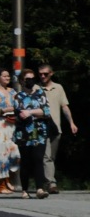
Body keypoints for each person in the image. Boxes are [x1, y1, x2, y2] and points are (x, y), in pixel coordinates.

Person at [13, 68, 51, 200]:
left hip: (40, 131)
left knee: (38, 159)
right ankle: (25, 189)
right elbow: (20, 113)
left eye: (32, 78)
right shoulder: (18, 96)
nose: (30, 81)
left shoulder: (40, 93)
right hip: (24, 133)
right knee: (26, 161)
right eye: (27, 79)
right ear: (22, 81)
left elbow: (46, 111)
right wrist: (34, 112)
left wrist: (31, 112)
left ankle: (40, 188)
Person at [38, 64, 77, 194]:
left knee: (51, 157)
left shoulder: (58, 87)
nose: (43, 76)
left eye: (45, 74)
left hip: (56, 128)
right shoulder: (37, 88)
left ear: (51, 74)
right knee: (46, 156)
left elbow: (64, 107)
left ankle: (44, 181)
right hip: (41, 127)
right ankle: (51, 183)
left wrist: (71, 122)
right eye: (40, 74)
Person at [0, 68, 21, 195]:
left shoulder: (13, 92)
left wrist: (15, 115)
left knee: (14, 152)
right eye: (4, 76)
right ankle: (0, 183)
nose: (7, 78)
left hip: (11, 126)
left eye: (8, 76)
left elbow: (18, 107)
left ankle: (8, 179)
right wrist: (5, 110)